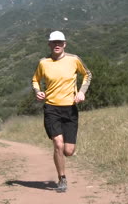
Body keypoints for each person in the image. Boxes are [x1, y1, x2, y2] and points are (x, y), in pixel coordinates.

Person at [31, 30, 92, 192]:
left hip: (70, 109)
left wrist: (81, 92)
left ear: (64, 44)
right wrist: (38, 92)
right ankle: (62, 178)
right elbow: (35, 80)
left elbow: (87, 74)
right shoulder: (43, 63)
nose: (57, 45)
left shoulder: (74, 60)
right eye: (53, 42)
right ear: (49, 44)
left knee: (69, 151)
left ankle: (62, 166)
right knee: (58, 144)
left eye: (60, 42)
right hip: (51, 108)